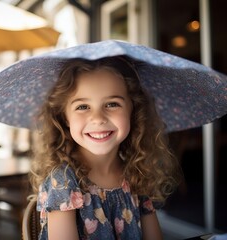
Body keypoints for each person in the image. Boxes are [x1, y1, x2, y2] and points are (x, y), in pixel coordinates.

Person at [30, 57, 181, 239]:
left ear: (133, 111)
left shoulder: (138, 174)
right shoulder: (63, 182)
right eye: (83, 106)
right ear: (64, 118)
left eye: (112, 104)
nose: (98, 118)